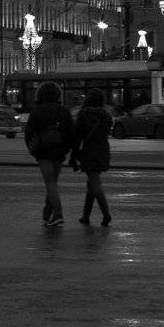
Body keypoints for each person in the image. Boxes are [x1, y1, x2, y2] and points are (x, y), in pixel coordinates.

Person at [22, 81, 77, 226]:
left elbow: (28, 133)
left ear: (40, 94)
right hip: (59, 152)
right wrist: (67, 149)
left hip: (43, 152)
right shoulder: (63, 111)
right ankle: (47, 212)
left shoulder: (37, 111)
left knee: (50, 182)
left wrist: (32, 148)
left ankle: (58, 213)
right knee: (52, 182)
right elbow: (72, 133)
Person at [70, 90, 114, 226]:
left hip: (89, 151)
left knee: (94, 184)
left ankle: (106, 215)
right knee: (91, 184)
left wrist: (74, 154)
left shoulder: (84, 115)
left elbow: (77, 136)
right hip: (103, 150)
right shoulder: (106, 115)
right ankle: (85, 216)